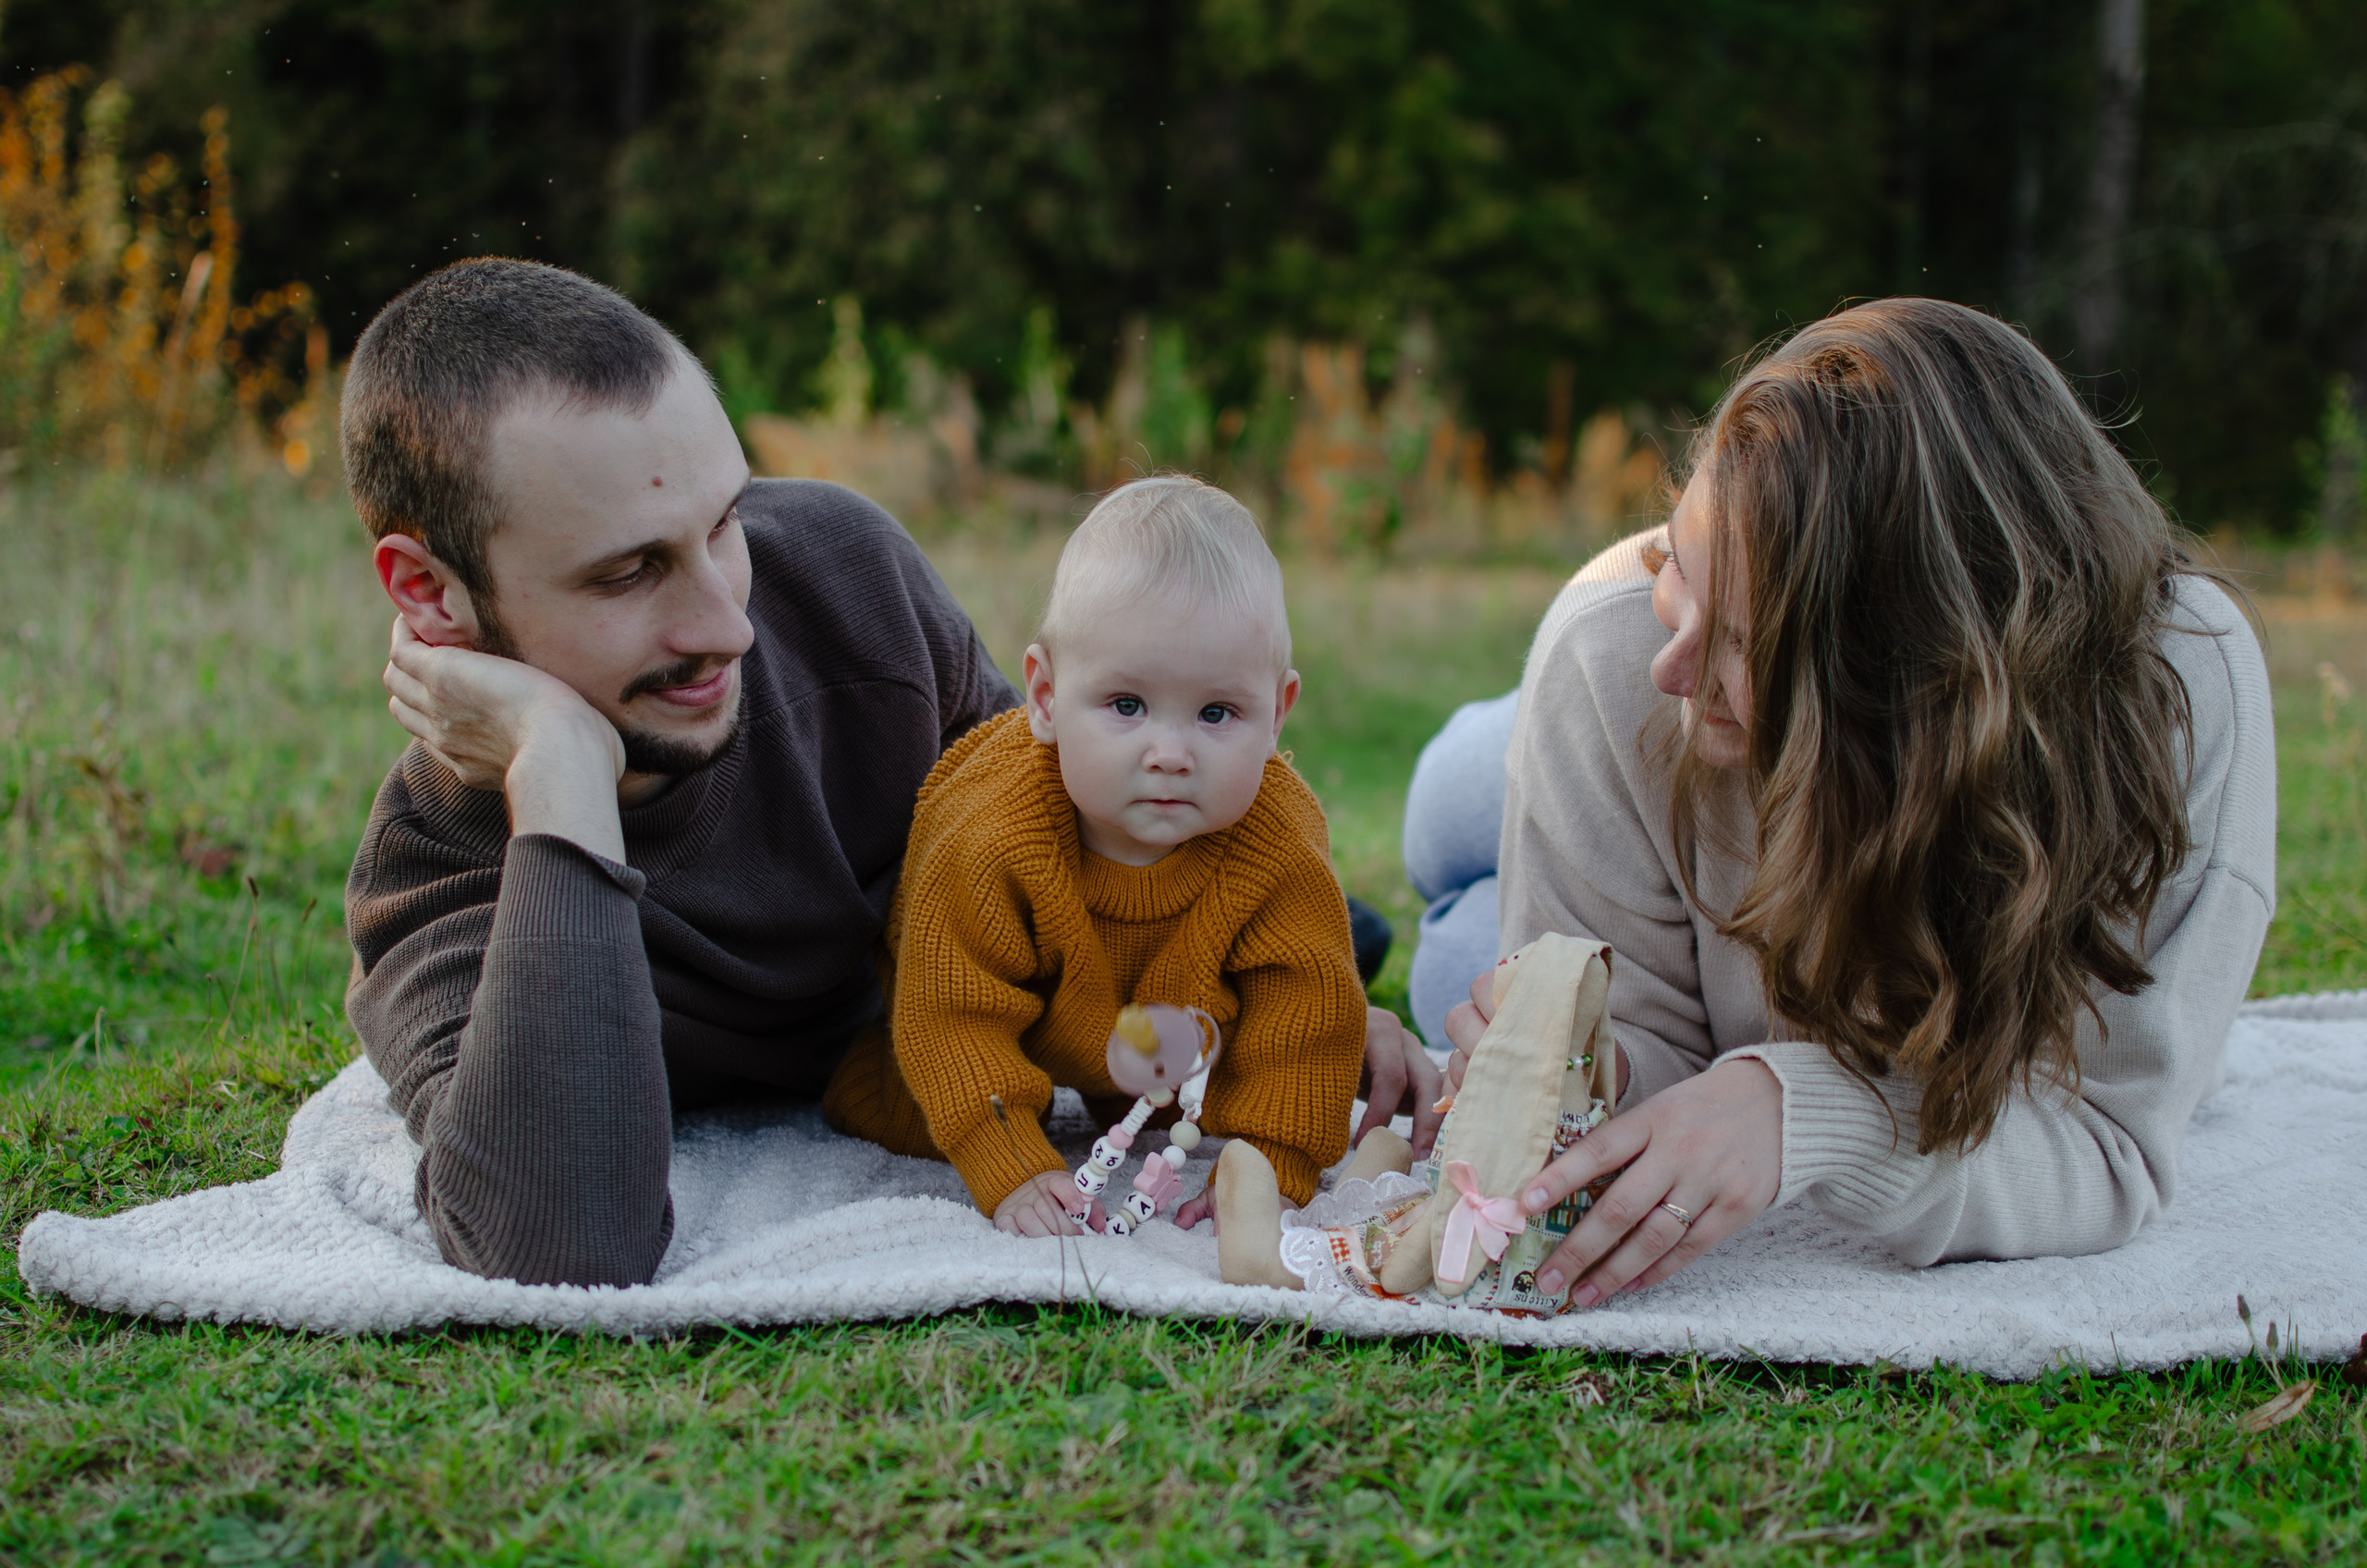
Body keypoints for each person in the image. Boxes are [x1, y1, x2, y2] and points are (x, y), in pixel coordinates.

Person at [1413, 298, 2274, 1310]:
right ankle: (1506, 763)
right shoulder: (1623, 658)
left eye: (1749, 643)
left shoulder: (2180, 695)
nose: (1676, 665)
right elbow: (1655, 1061)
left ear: (1929, 685)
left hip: (1737, 830)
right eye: (1679, 569)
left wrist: (1806, 1109)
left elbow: (2107, 1143)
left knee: (1452, 946)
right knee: (1449, 839)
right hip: (1607, 736)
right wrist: (1589, 1064)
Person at [341, 258, 1023, 1287]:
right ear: (430, 592)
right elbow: (557, 1241)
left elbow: (1088, 833)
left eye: (721, 527)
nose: (728, 624)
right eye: (627, 572)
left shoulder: (847, 579)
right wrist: (562, 774)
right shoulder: (434, 871)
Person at [823, 476, 1419, 1234]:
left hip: (1167, 1013)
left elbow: (1306, 1010)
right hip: (1003, 1011)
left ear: (1277, 715)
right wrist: (1011, 1161)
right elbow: (952, 1005)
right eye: (1127, 706)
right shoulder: (992, 830)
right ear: (1043, 696)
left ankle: (1128, 1091)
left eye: (1217, 713)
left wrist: (1274, 1159)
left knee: (1196, 1076)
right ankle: (890, 1087)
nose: (1169, 753)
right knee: (917, 1107)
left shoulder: (1278, 836)